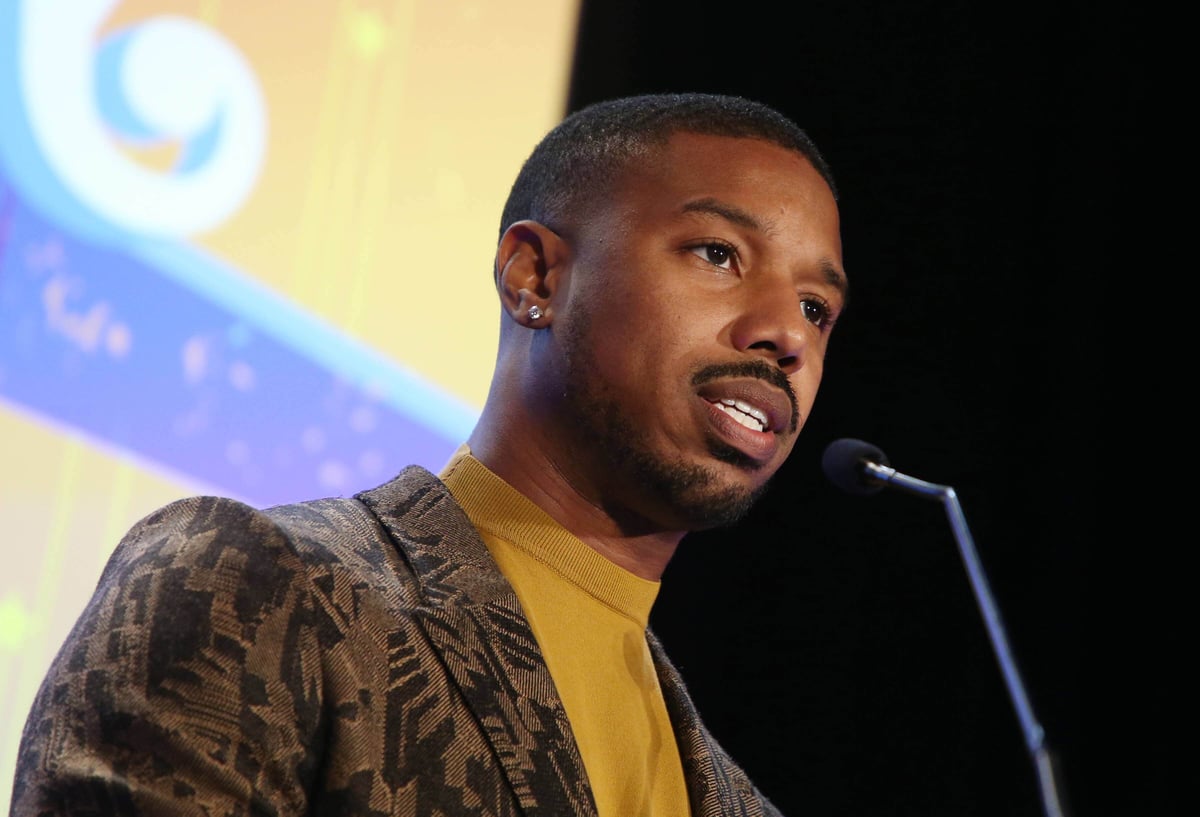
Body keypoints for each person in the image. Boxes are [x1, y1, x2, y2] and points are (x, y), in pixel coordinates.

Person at [10, 92, 847, 816]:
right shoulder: (261, 587)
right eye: (717, 254)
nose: (784, 334)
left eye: (817, 307)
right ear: (535, 277)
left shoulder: (737, 800)